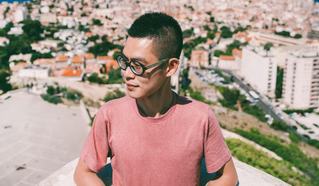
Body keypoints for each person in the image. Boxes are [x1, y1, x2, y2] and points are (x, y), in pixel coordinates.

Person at [74, 12, 238, 186]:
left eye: (138, 65)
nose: (127, 74)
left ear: (170, 67)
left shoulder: (200, 117)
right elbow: (83, 173)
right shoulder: (110, 114)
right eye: (124, 61)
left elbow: (228, 176)